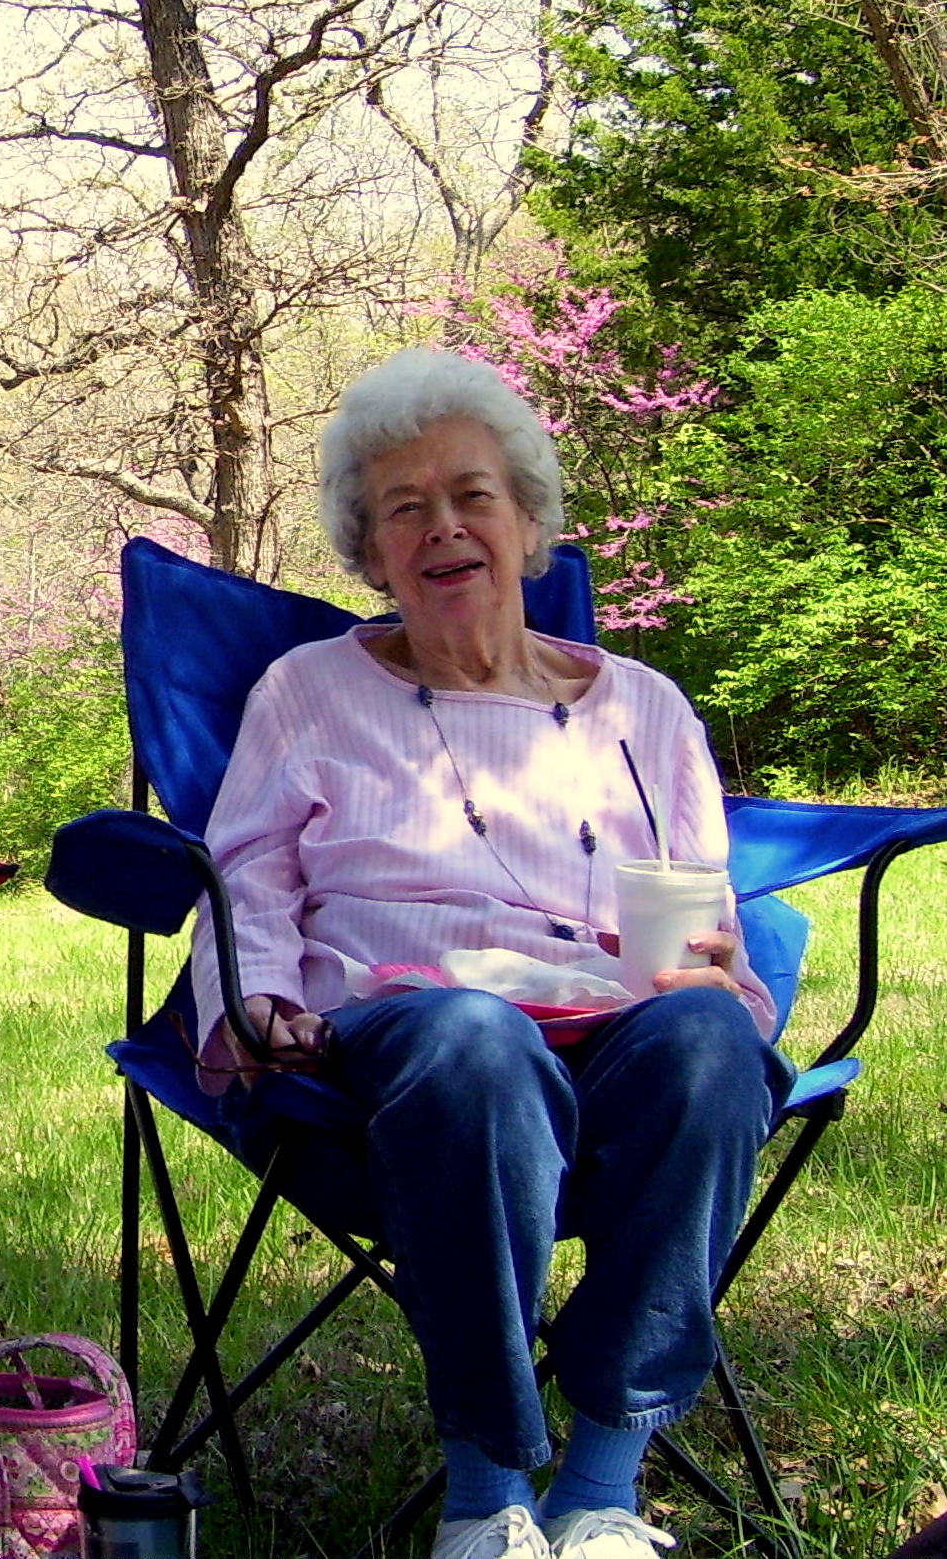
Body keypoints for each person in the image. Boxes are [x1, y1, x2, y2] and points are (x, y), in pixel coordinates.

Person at [188, 347, 793, 1559]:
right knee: (475, 1039)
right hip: (405, 1035)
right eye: (403, 509)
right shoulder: (305, 692)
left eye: (472, 496)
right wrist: (254, 1002)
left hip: (610, 1028)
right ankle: (486, 1495)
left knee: (710, 1038)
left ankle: (602, 1488)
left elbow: (689, 912)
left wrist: (699, 969)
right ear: (369, 553)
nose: (443, 527)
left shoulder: (643, 706)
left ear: (529, 524)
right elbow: (243, 871)